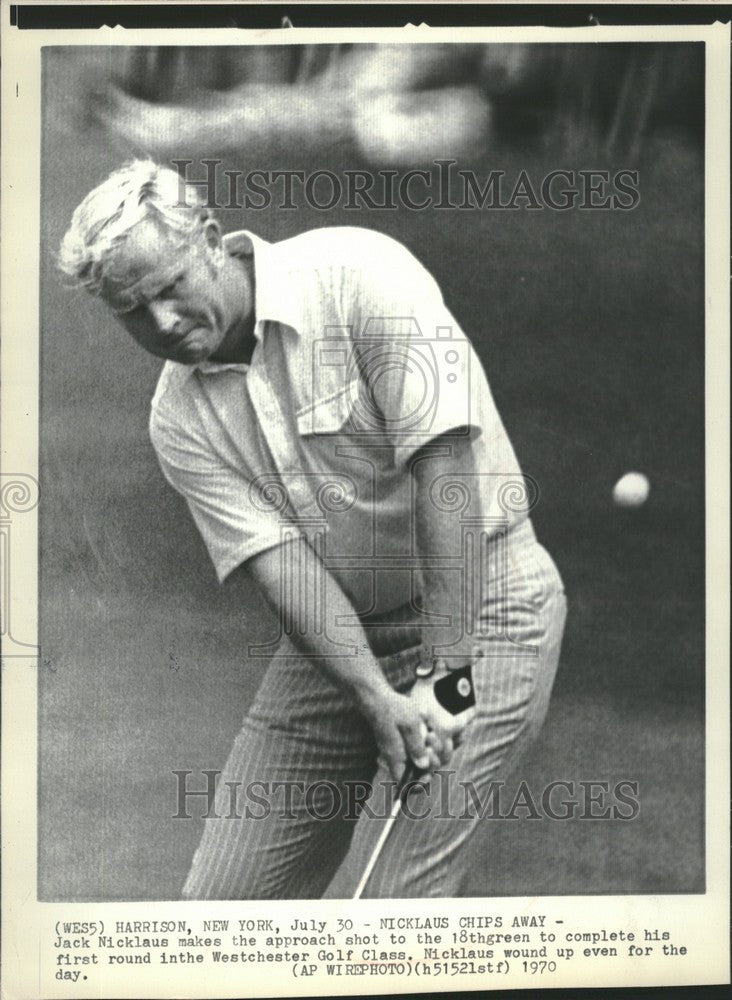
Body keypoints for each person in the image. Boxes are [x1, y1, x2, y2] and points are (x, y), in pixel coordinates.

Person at [58, 160, 566, 899]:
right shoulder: (177, 420)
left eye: (170, 288)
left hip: (486, 610)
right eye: (135, 311)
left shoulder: (360, 275)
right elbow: (285, 569)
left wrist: (448, 672)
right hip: (340, 638)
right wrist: (374, 696)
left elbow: (448, 472)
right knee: (216, 919)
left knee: (391, 918)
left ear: (209, 238)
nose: (163, 322)